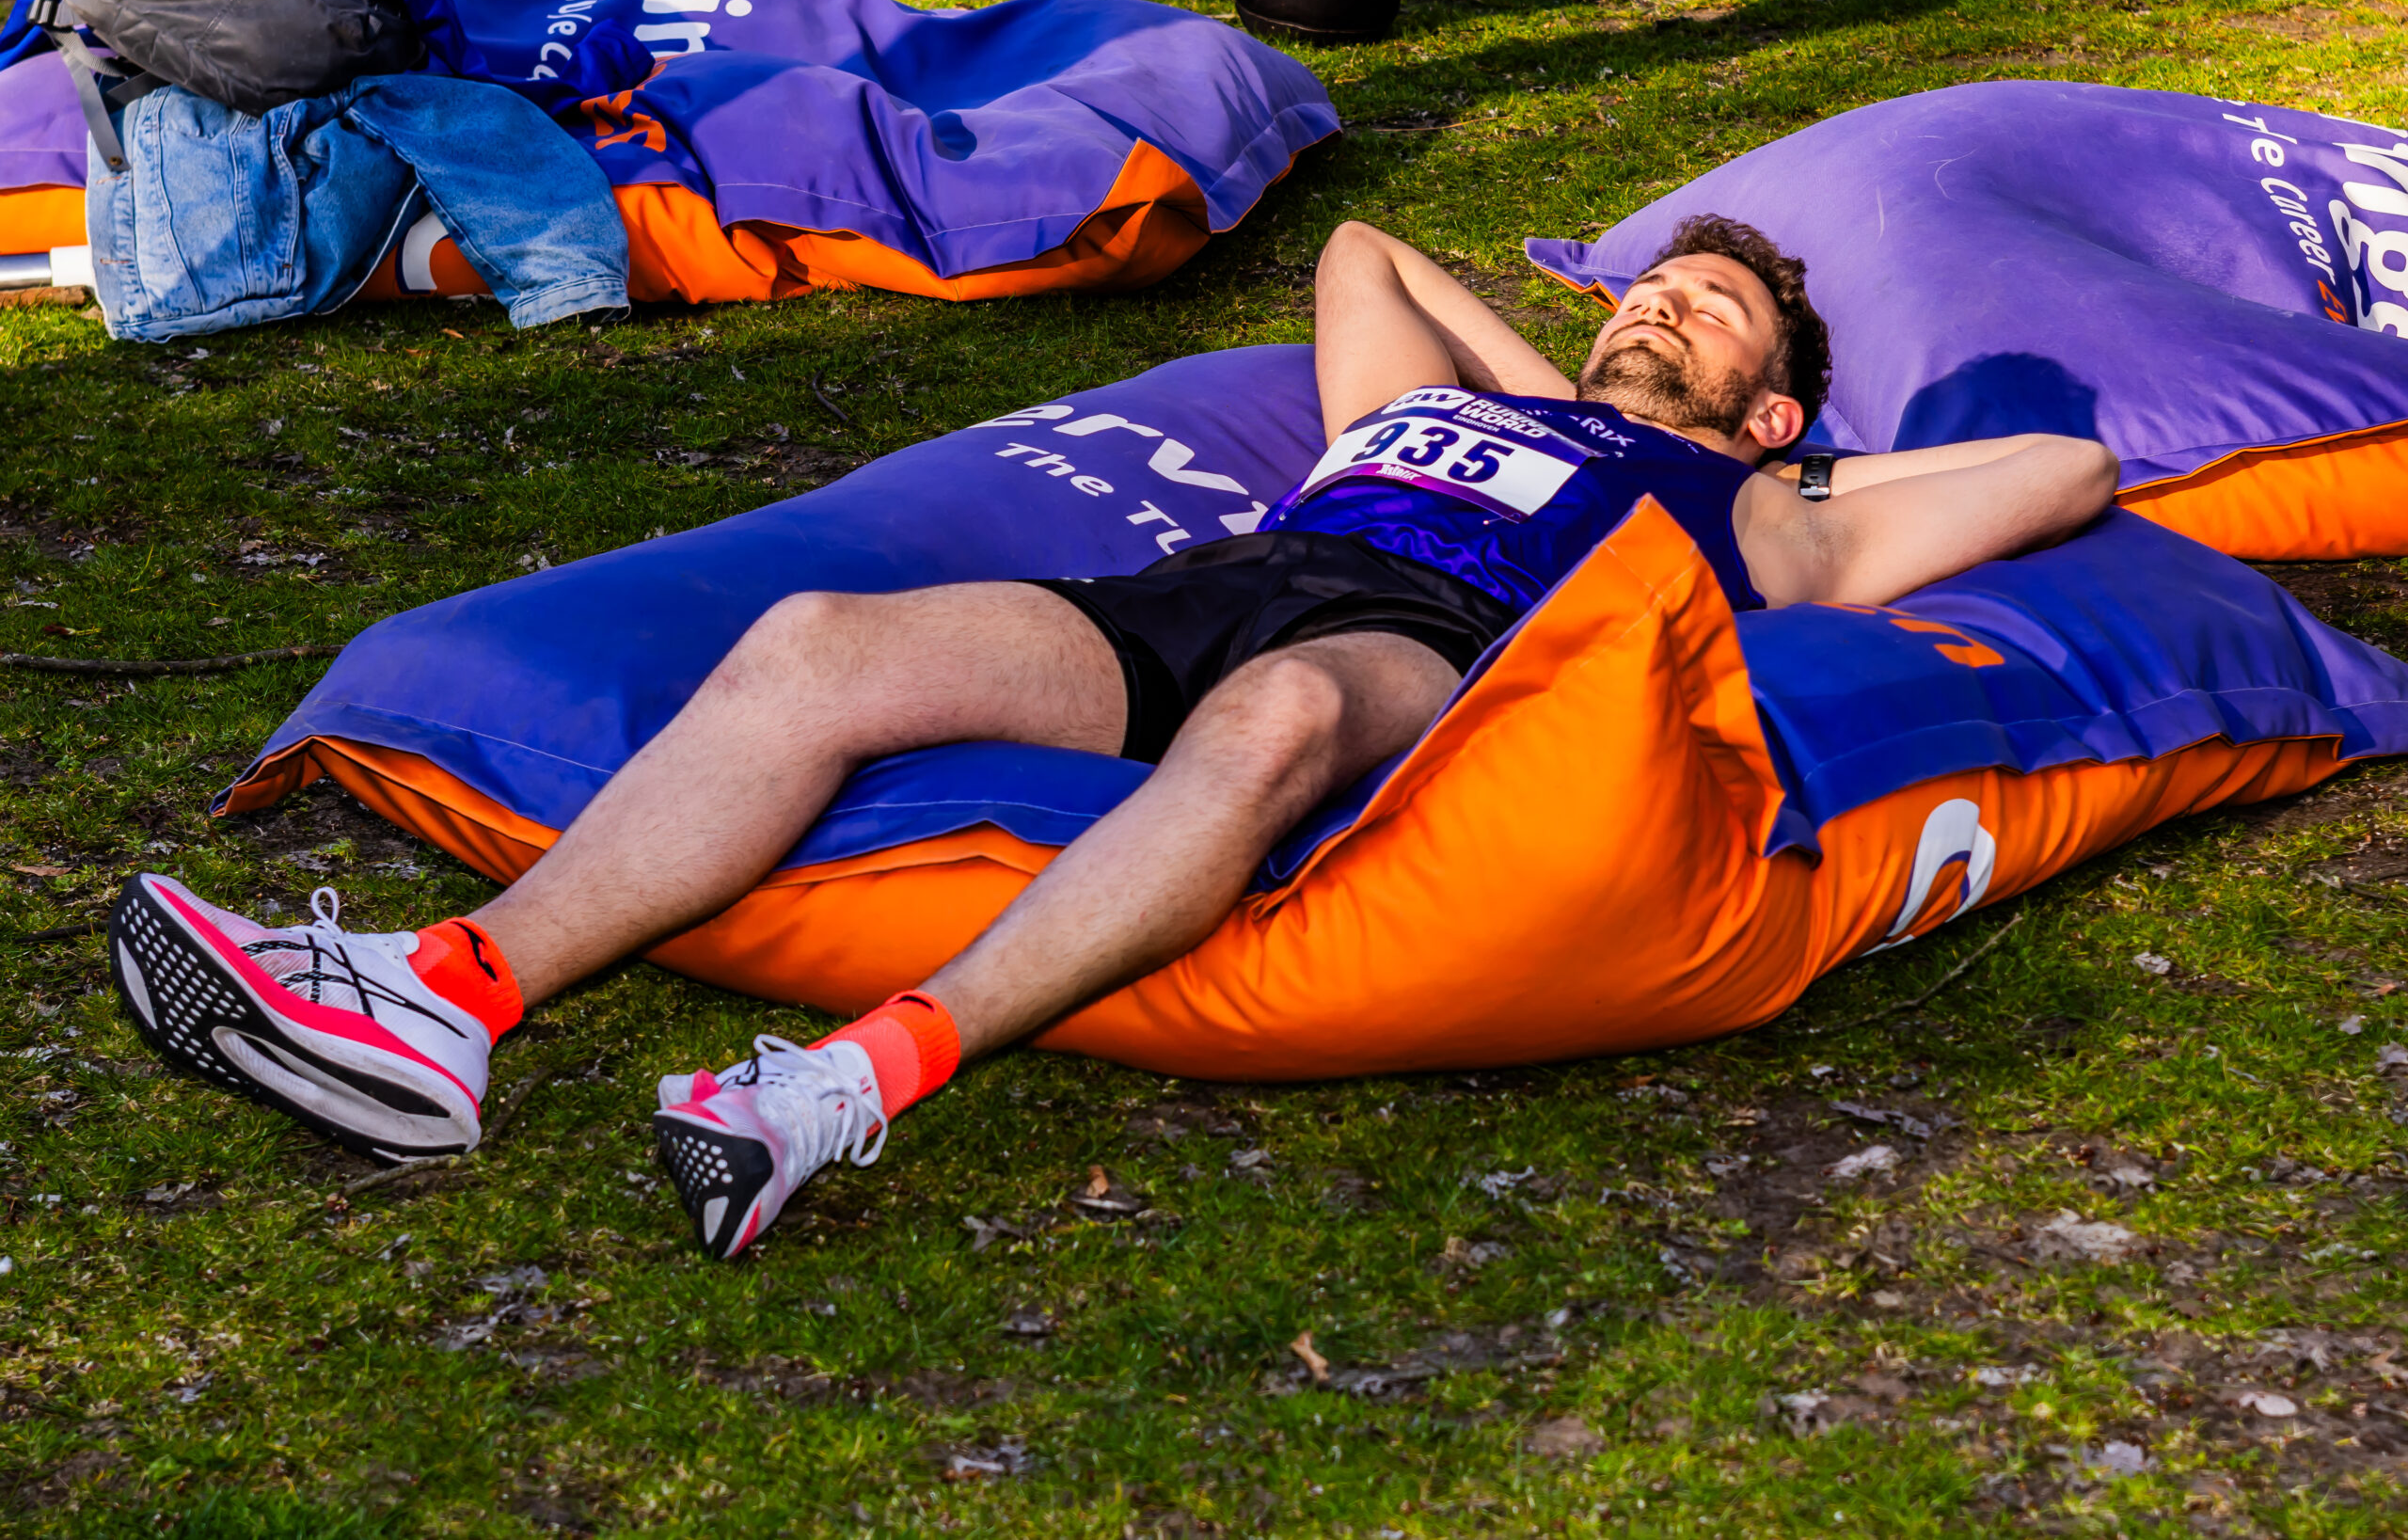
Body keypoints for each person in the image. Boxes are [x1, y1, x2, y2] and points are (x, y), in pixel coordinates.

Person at [105, 215, 2116, 1259]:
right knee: (816, 645)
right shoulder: (1437, 403)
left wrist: (1732, 453)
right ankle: (448, 1002)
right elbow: (1366, 260)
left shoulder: (1766, 512)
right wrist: (1573, 382)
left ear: (1778, 407)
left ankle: (850, 1084)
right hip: (1218, 581)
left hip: (1427, 650)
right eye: (1648, 287)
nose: (1660, 307)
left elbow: (2069, 465)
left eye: (1708, 310)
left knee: (1278, 716)